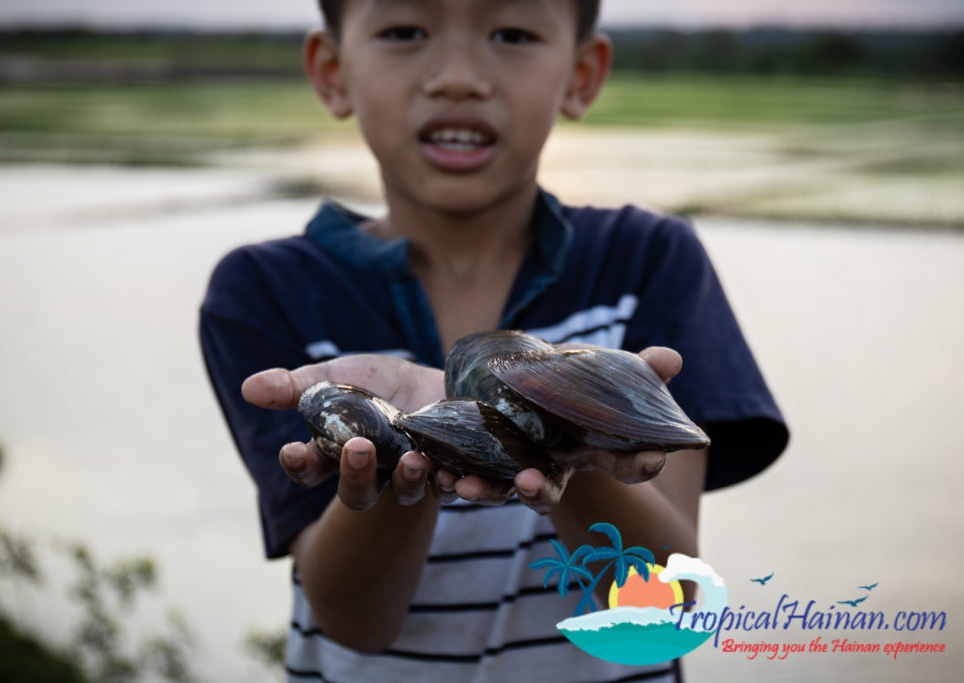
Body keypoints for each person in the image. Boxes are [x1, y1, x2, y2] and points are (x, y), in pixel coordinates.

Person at [200, 1, 789, 681]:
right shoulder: (267, 290)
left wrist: (573, 438)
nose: (458, 77)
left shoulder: (649, 261)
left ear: (582, 73)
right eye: (404, 31)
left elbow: (671, 607)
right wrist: (399, 463)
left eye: (512, 32)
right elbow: (356, 621)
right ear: (332, 72)